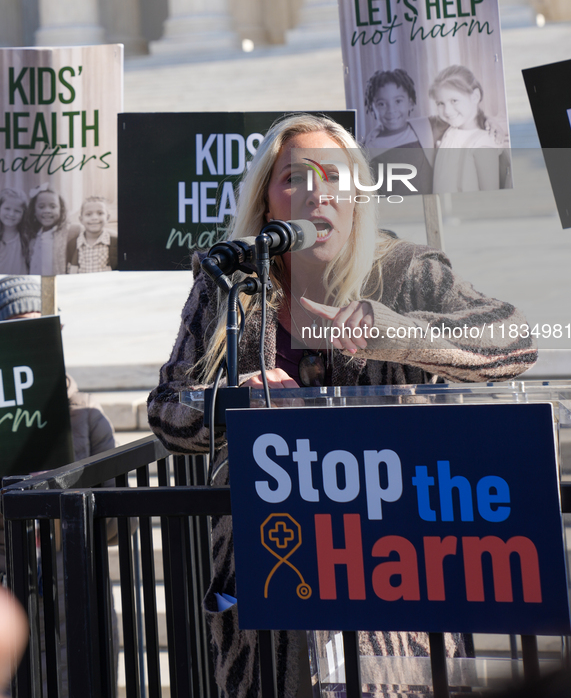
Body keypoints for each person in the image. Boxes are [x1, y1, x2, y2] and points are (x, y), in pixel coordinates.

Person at [147, 114, 537, 698]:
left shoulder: (408, 272)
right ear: (268, 202)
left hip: (390, 557)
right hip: (270, 564)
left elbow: (516, 340)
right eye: (294, 179)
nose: (316, 193)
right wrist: (234, 402)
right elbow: (166, 408)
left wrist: (398, 333)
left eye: (334, 177)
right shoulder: (229, 282)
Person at [0, 275, 120, 692]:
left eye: (39, 329)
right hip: (14, 593)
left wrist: (67, 485)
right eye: (17, 332)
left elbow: (117, 526)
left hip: (76, 586)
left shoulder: (87, 417)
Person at [430, 65, 503, 193]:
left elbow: (491, 195)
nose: (447, 111)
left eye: (454, 101)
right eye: (440, 103)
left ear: (475, 96)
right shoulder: (450, 129)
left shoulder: (483, 143)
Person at [363, 69, 435, 194]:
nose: (391, 110)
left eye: (398, 101)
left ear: (411, 103)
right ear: (371, 108)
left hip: (428, 208)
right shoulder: (369, 147)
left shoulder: (425, 127)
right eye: (381, 104)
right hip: (394, 210)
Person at [26, 186, 71, 275]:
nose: (47, 211)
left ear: (60, 209)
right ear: (34, 210)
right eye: (41, 207)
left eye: (53, 206)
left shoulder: (65, 234)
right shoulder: (33, 236)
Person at [66, 196, 118, 273]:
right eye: (88, 214)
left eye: (100, 213)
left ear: (107, 218)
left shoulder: (115, 243)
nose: (94, 218)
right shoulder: (73, 244)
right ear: (81, 219)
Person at [0, 188, 29, 275]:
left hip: (20, 284)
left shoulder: (26, 236)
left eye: (17, 211)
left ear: (23, 214)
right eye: (7, 208)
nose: (11, 214)